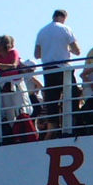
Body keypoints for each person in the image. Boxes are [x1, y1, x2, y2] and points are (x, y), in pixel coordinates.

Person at [34, 9, 80, 138]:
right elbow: (77, 50)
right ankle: (72, 124)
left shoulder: (42, 31)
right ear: (63, 17)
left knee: (52, 100)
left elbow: (37, 54)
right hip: (63, 68)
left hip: (48, 69)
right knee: (72, 96)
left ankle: (53, 128)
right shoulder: (65, 29)